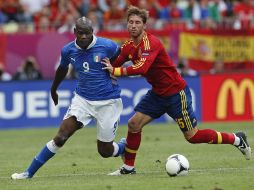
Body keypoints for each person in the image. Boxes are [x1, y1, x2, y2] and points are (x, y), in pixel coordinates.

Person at [102, 6, 251, 175]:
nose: (133, 25)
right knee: (134, 124)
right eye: (130, 22)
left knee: (193, 137)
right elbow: (115, 64)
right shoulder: (128, 46)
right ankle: (128, 168)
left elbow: (141, 68)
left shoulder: (152, 42)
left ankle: (237, 139)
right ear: (127, 25)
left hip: (176, 93)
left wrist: (115, 72)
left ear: (145, 25)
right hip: (158, 93)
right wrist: (105, 67)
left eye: (137, 22)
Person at [11, 17, 125, 180]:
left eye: (87, 33)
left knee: (105, 151)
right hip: (83, 100)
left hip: (108, 101)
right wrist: (54, 88)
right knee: (61, 136)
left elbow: (121, 57)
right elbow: (62, 69)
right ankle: (28, 173)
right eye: (80, 33)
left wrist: (115, 70)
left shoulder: (107, 45)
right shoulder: (68, 50)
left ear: (93, 32)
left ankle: (123, 147)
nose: (84, 37)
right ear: (75, 33)